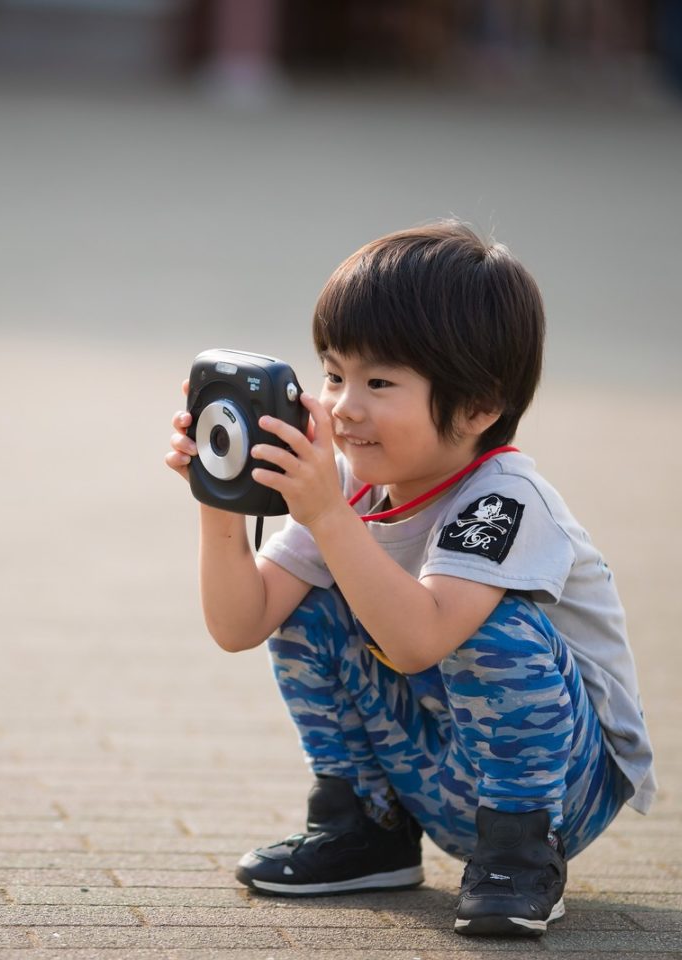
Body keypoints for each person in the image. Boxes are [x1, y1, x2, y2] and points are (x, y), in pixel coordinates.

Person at [163, 221, 655, 937]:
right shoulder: (350, 488)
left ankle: (519, 856)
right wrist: (220, 499)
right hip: (439, 767)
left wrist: (329, 518)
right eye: (332, 374)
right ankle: (367, 828)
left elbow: (421, 639)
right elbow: (241, 624)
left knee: (492, 623)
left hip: (559, 786)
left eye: (379, 382)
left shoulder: (505, 501)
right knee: (305, 602)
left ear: (478, 406)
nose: (341, 406)